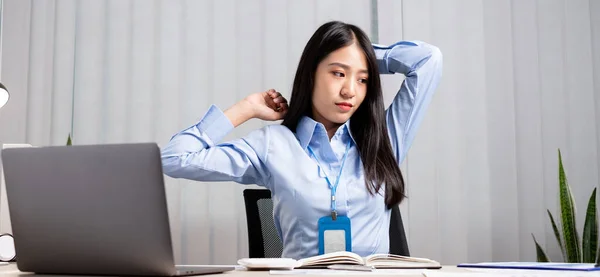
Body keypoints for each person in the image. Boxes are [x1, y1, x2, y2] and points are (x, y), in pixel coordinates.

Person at [161, 20, 442, 260]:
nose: (350, 91)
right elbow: (174, 159)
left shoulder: (384, 138)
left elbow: (428, 59)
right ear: (311, 73)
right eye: (338, 73)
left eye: (362, 79)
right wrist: (245, 109)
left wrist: (363, 54)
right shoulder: (273, 144)